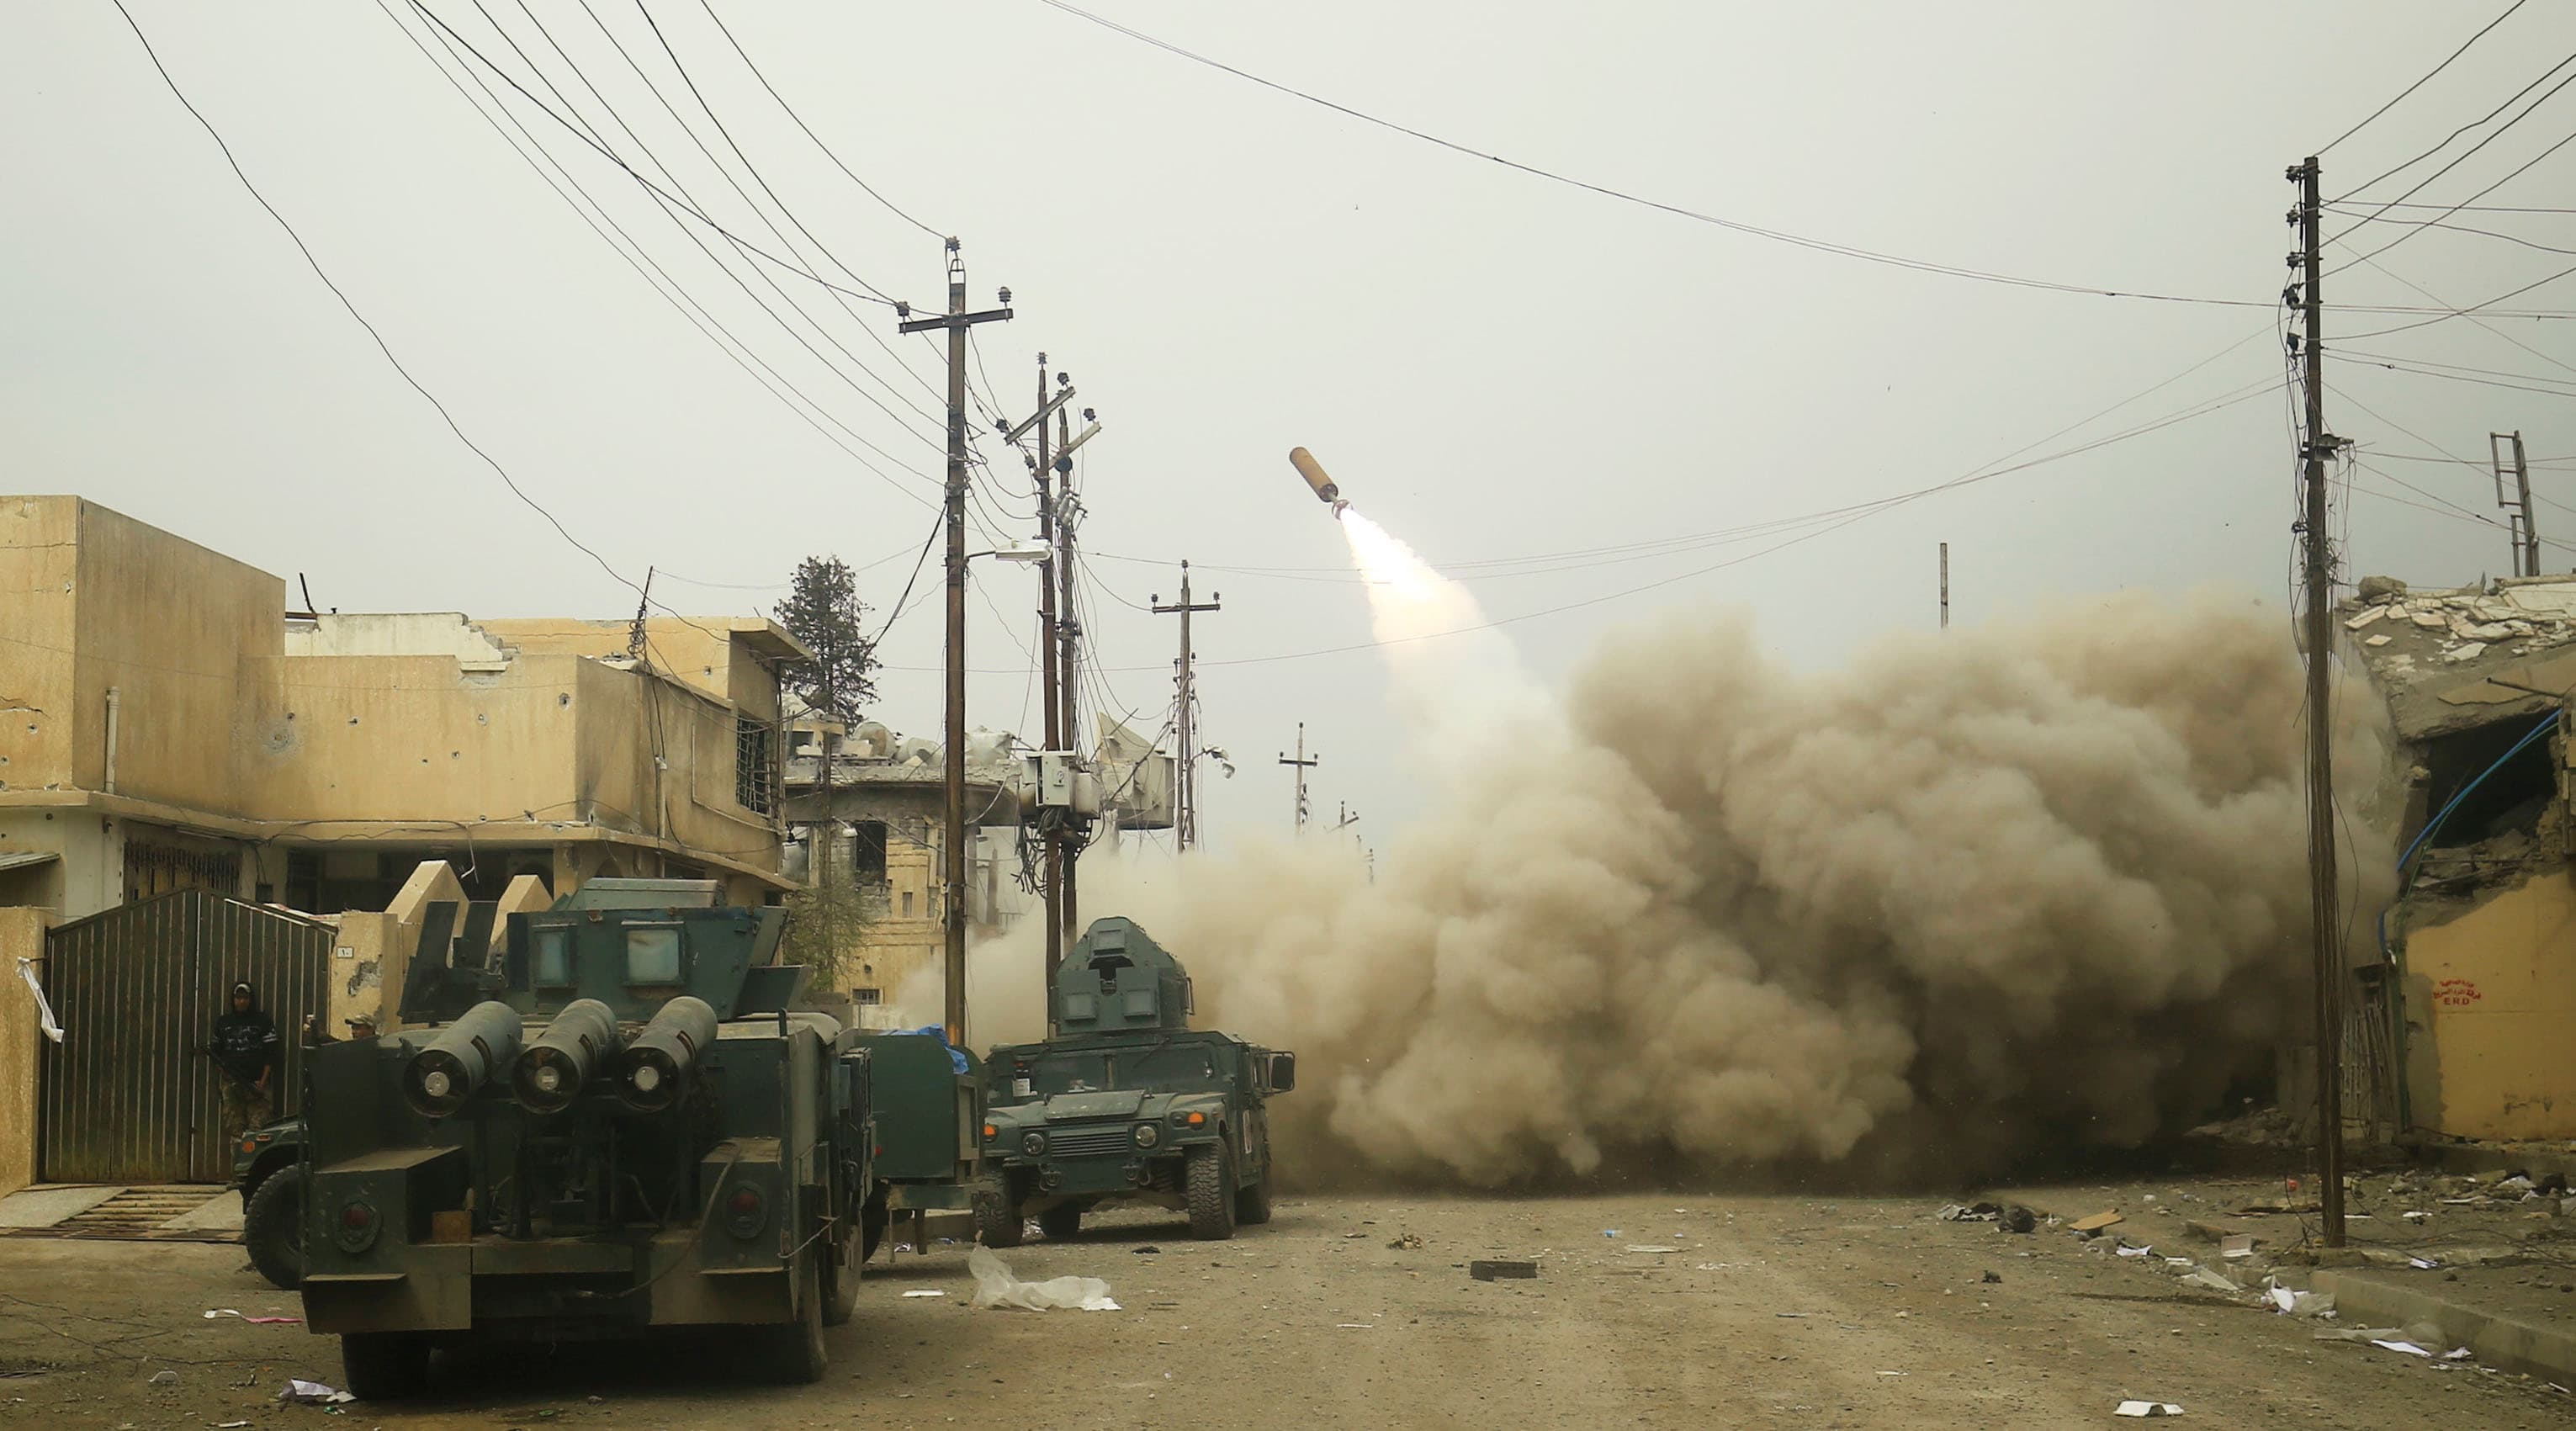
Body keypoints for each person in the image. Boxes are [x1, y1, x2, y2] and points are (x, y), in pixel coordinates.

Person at [208, 980, 279, 1156]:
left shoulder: (262, 1021)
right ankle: (238, 1169)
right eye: (238, 998)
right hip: (232, 1086)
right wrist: (226, 1076)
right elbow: (216, 1053)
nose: (242, 1001)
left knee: (258, 1131)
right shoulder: (224, 1022)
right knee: (236, 1131)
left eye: (245, 998)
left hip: (257, 1085)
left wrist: (262, 1082)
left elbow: (272, 1054)